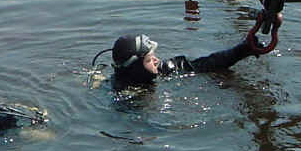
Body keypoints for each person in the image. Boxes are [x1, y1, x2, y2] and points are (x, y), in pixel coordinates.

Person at [101, 32, 262, 90]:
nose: (157, 60)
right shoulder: (123, 95)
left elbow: (204, 65)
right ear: (136, 67)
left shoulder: (161, 69)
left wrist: (240, 51)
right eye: (149, 59)